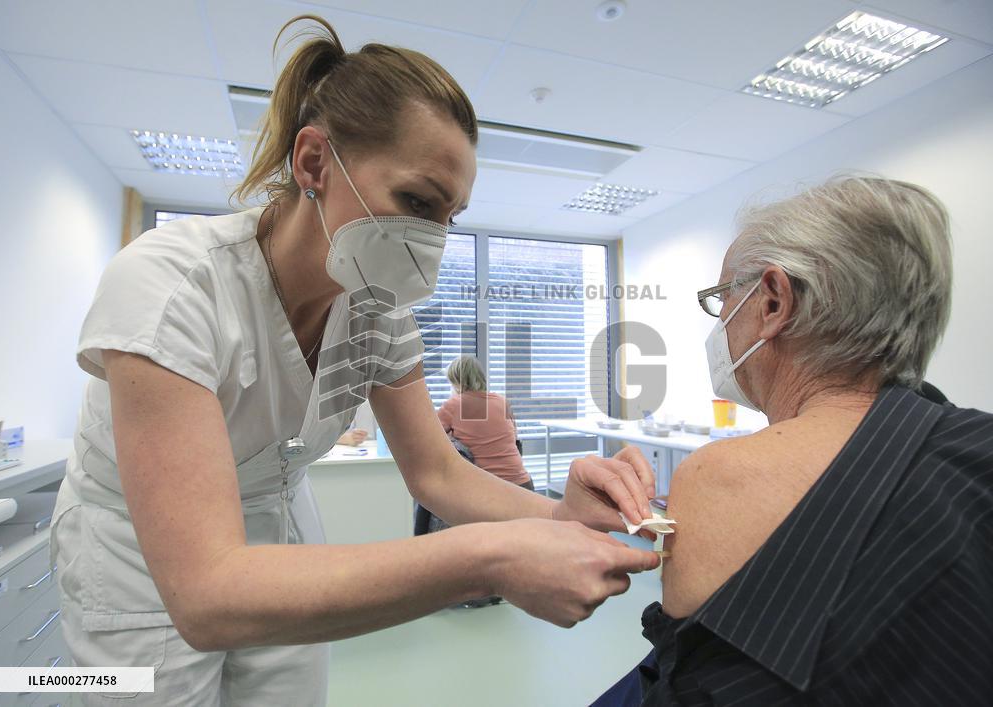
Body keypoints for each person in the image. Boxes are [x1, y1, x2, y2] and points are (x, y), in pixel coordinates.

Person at [50, 16, 660, 705]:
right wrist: (490, 560)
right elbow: (206, 594)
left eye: (448, 217)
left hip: (277, 523)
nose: (433, 238)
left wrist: (558, 517)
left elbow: (435, 472)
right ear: (314, 164)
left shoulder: (377, 312)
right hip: (138, 553)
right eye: (416, 202)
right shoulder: (170, 287)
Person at [593, 176, 993, 705]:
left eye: (722, 297)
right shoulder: (978, 445)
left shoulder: (718, 477)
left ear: (775, 302)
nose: (720, 325)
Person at [437, 355, 533, 491]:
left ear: (456, 381)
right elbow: (515, 441)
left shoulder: (454, 404)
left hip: (488, 489)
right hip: (523, 486)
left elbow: (429, 439)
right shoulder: (501, 401)